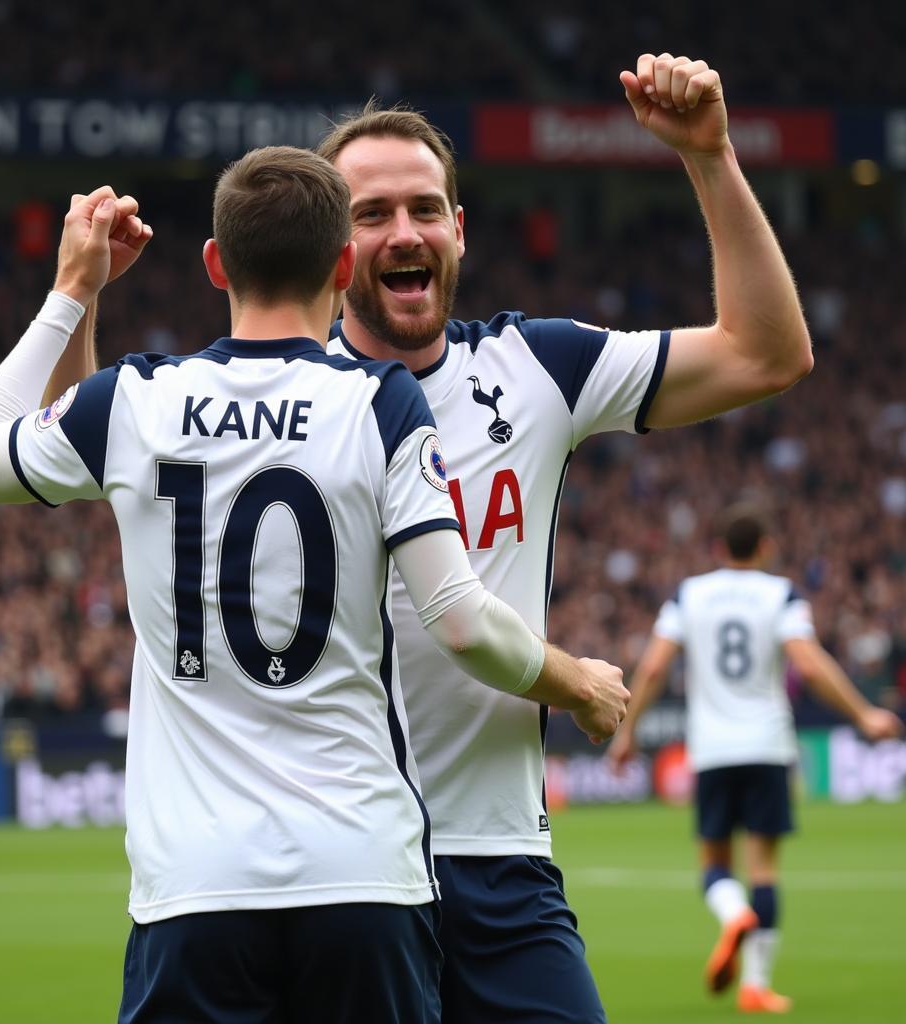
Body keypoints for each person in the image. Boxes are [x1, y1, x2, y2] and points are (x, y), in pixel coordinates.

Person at [0, 148, 629, 1024]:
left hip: (196, 886)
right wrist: (576, 683)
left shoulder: (136, 402)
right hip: (363, 872)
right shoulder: (383, 403)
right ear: (344, 266)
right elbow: (458, 619)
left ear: (214, 264)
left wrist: (74, 292)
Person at [315, 53, 815, 1023]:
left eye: (424, 208)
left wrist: (710, 158)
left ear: (459, 231)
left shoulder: (536, 365)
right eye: (369, 214)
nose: (403, 230)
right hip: (338, 871)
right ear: (329, 246)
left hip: (500, 864)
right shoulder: (277, 400)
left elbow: (767, 353)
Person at [606, 505, 903, 1013]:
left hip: (713, 749)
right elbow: (808, 664)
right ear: (765, 546)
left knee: (714, 866)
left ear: (719, 548)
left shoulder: (689, 594)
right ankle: (756, 985)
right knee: (764, 868)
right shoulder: (781, 594)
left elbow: (654, 665)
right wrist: (862, 713)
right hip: (767, 744)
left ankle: (732, 914)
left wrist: (627, 730)